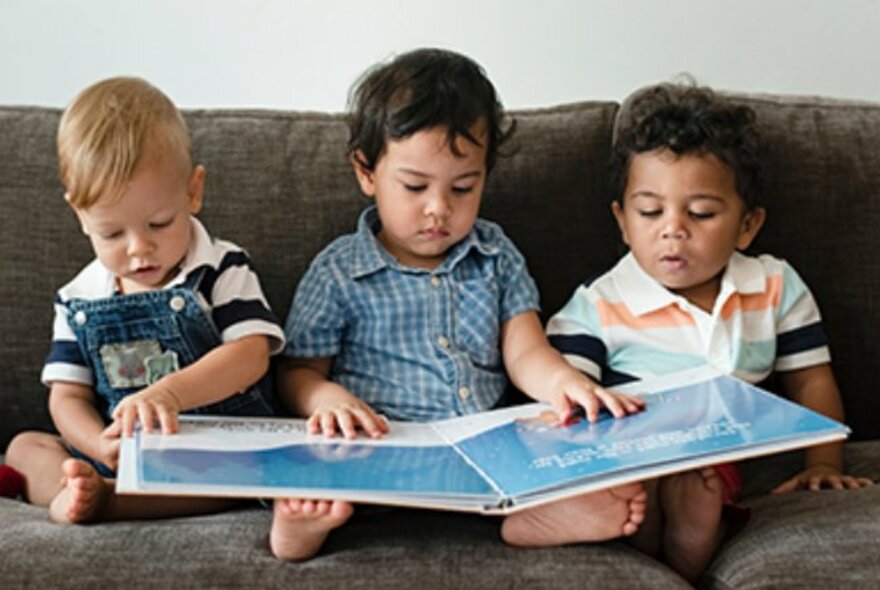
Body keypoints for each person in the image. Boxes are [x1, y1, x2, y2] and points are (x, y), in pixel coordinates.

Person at [269, 48, 647, 561]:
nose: (439, 209)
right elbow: (295, 372)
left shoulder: (495, 256)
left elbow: (525, 351)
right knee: (313, 463)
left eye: (463, 188)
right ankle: (302, 527)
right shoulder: (339, 270)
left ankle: (530, 514)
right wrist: (324, 398)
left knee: (555, 446)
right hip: (379, 450)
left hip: (483, 451)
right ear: (366, 171)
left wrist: (565, 385)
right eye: (415, 186)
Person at [546, 82, 874, 582]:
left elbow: (811, 381)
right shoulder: (599, 303)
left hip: (722, 454)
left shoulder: (773, 285)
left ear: (747, 226)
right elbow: (566, 397)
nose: (673, 229)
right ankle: (653, 526)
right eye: (650, 212)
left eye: (700, 213)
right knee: (639, 480)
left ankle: (688, 538)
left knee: (702, 483)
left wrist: (824, 462)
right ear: (622, 221)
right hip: (636, 450)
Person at [4, 77, 284, 524]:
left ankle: (111, 501)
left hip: (208, 449)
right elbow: (66, 397)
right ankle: (76, 489)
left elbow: (251, 355)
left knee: (248, 471)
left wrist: (170, 394)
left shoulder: (220, 267)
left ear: (193, 192)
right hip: (116, 451)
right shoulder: (78, 299)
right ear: (80, 216)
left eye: (158, 223)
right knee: (24, 447)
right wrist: (98, 445)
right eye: (112, 233)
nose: (138, 249)